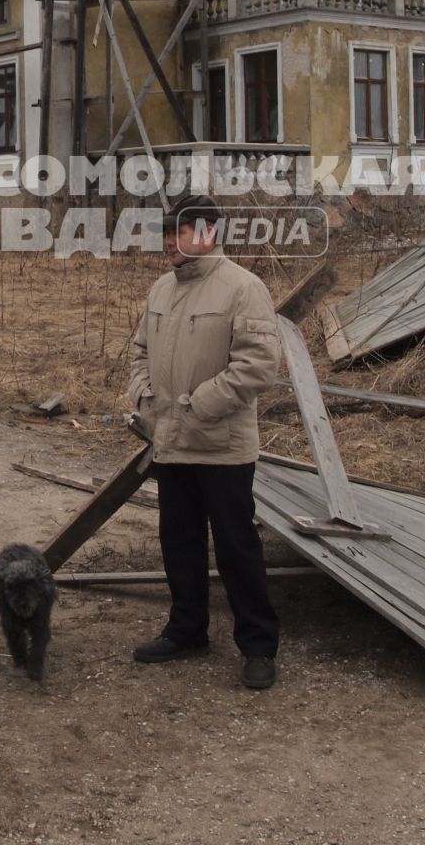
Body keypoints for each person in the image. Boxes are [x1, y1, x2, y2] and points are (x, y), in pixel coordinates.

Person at [127, 194, 283, 690]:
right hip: (170, 440)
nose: (170, 242)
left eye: (181, 232)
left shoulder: (243, 288)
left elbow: (258, 365)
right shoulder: (160, 290)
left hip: (222, 445)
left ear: (209, 234)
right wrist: (145, 399)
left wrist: (198, 406)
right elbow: (138, 353)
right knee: (179, 541)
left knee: (237, 546)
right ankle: (187, 630)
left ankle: (258, 646)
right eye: (167, 232)